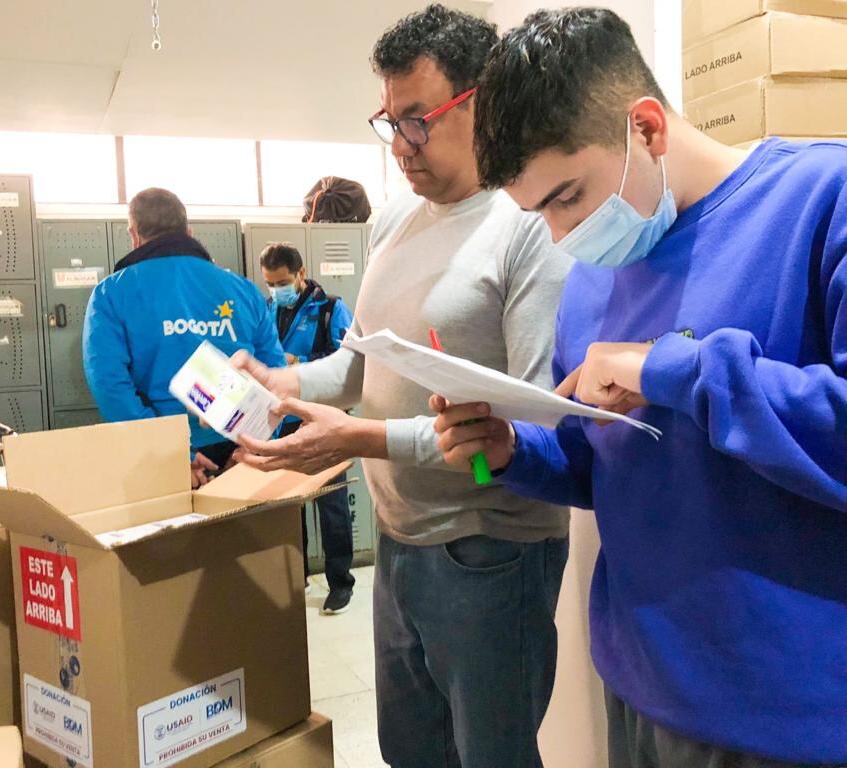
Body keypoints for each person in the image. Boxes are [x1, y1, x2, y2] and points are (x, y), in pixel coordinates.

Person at [432, 8, 847, 768]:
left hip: (788, 713)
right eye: (537, 215)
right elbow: (607, 465)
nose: (561, 238)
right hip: (640, 685)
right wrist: (515, 451)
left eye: (566, 198)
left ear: (647, 128)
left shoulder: (823, 200)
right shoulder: (591, 283)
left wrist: (667, 367)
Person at [234, 6, 573, 766]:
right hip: (400, 542)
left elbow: (529, 420)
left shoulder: (527, 225)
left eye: (418, 121)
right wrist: (277, 377)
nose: (400, 148)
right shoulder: (394, 223)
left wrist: (360, 440)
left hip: (490, 552)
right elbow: (359, 364)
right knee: (412, 755)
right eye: (389, 123)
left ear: (480, 99)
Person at [82, 187, 285, 487]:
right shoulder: (243, 290)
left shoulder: (111, 294)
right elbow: (275, 374)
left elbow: (109, 384)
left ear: (133, 235)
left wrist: (172, 452)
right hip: (241, 453)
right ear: (189, 232)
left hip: (161, 459)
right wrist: (258, 444)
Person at [260, 242, 356, 613]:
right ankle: (295, 577)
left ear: (300, 274)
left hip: (322, 418)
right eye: (269, 283)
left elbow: (349, 363)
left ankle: (340, 582)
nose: (276, 290)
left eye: (282, 282)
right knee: (289, 505)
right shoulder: (268, 309)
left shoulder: (331, 308)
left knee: (331, 504)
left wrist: (300, 361)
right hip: (282, 419)